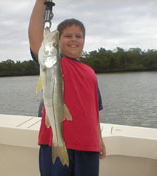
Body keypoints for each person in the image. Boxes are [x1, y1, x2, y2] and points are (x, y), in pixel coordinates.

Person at [28, 0, 106, 175]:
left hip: (88, 145)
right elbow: (35, 34)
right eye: (67, 36)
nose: (74, 40)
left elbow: (94, 111)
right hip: (55, 141)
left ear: (84, 40)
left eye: (78, 36)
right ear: (60, 41)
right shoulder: (55, 62)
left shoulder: (90, 72)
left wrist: (99, 139)